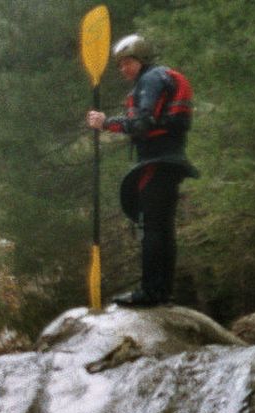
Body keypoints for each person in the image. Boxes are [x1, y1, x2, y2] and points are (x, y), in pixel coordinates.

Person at [86, 33, 198, 308]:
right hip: (170, 162)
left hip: (157, 163)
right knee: (162, 227)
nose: (123, 68)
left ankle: (150, 292)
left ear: (142, 59)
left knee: (153, 228)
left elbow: (143, 123)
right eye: (120, 64)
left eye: (128, 62)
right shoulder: (159, 78)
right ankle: (162, 292)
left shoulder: (150, 79)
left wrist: (106, 123)